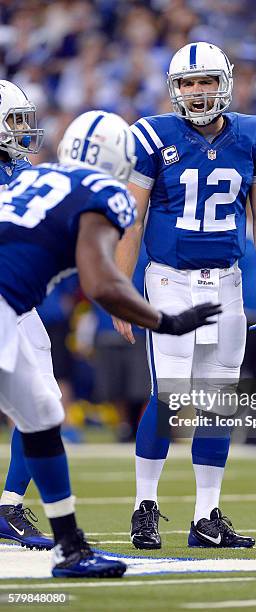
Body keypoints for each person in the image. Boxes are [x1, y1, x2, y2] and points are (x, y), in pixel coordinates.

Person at [0, 109, 220, 578]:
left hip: (10, 308)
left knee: (40, 414)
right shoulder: (100, 191)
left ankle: (69, 547)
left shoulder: (26, 181)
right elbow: (102, 284)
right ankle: (68, 546)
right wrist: (166, 321)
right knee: (41, 414)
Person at [112, 41, 256, 550]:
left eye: (205, 81)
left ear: (224, 83)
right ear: (174, 89)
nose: (196, 91)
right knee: (168, 397)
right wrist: (122, 288)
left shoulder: (255, 136)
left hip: (227, 281)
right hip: (168, 279)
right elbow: (133, 218)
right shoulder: (153, 136)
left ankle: (205, 516)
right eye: (187, 83)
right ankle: (145, 506)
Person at [0, 79, 54, 550]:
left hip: (17, 302)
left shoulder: (20, 169)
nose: (23, 130)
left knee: (43, 402)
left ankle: (10, 503)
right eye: (14, 120)